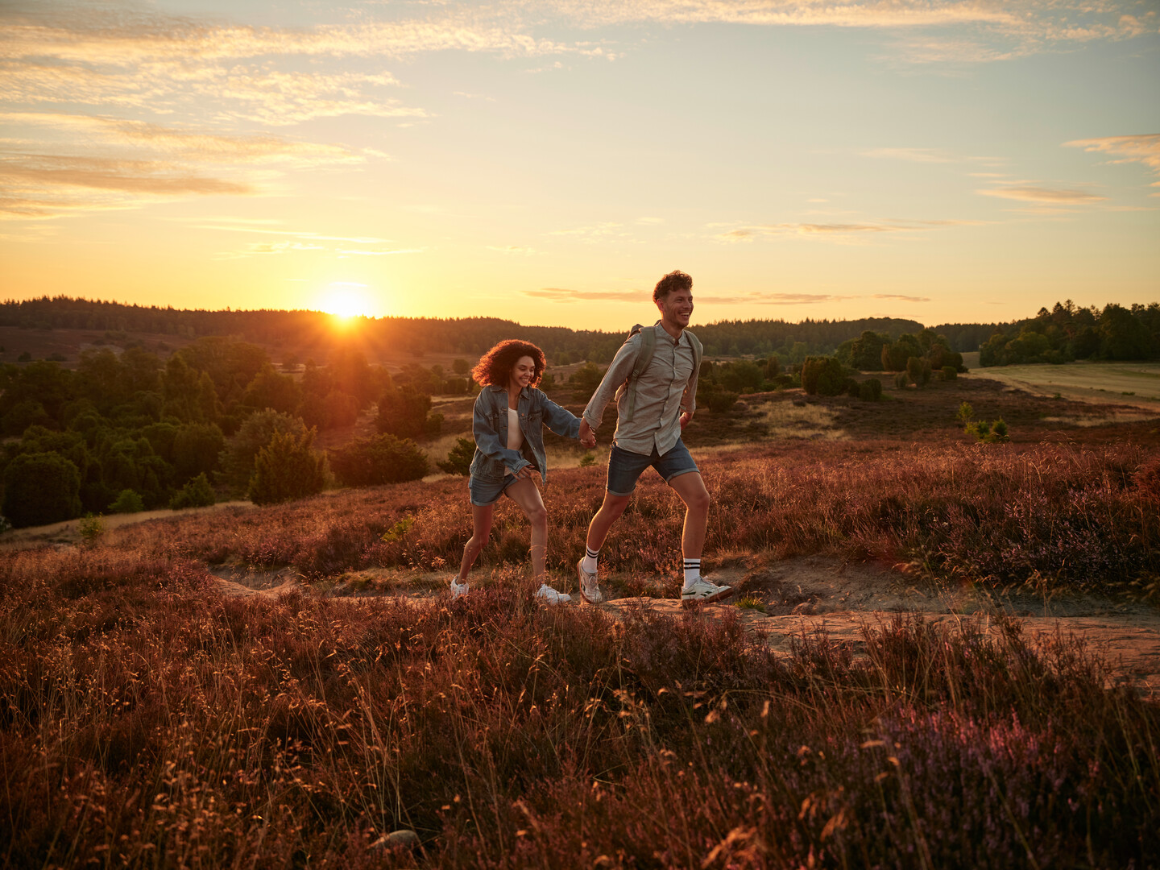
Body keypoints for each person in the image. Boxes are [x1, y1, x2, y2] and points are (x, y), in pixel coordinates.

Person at [575, 270, 732, 606]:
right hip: (632, 442)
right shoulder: (640, 343)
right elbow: (609, 382)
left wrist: (689, 409)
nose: (687, 305)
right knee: (613, 508)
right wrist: (589, 422)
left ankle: (692, 584)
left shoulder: (693, 346)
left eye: (690, 299)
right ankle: (588, 566)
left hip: (668, 440)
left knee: (700, 499)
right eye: (679, 300)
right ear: (660, 304)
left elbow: (690, 383)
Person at [451, 339, 596, 602]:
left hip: (515, 474)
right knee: (481, 538)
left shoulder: (534, 397)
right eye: (522, 368)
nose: (528, 374)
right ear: (508, 367)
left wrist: (583, 430)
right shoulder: (488, 396)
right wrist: (513, 460)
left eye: (532, 369)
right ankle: (460, 583)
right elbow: (485, 439)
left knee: (540, 514)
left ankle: (540, 588)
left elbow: (559, 417)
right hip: (488, 473)